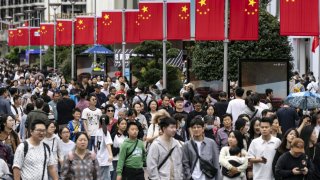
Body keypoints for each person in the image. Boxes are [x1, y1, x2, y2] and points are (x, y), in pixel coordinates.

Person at [95, 115, 113, 180]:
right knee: (106, 177)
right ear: (108, 122)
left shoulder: (97, 131)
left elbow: (95, 146)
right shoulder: (106, 132)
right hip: (105, 158)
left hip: (98, 157)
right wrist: (111, 155)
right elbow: (108, 144)